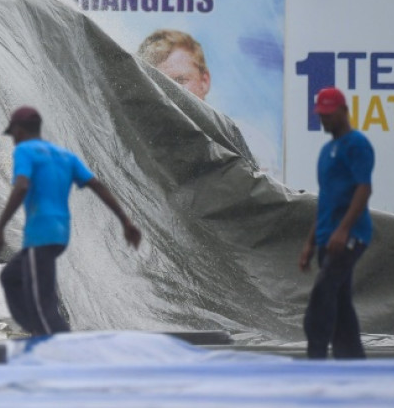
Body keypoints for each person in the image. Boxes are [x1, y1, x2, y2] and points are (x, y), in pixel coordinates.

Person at [0, 106, 142, 336]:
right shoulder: (65, 156)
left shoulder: (25, 151)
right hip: (60, 232)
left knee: (42, 303)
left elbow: (21, 186)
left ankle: (59, 345)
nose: (14, 139)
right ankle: (37, 332)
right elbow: (97, 185)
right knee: (11, 277)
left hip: (40, 233)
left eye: (13, 134)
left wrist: (0, 228)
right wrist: (125, 222)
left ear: (19, 131)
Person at [136, 29, 281, 180]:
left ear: (204, 81)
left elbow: (264, 201)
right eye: (158, 83)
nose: (170, 92)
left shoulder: (251, 144)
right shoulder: (134, 149)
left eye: (180, 80)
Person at [298, 86, 374, 359]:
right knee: (341, 304)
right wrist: (309, 242)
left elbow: (363, 189)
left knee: (322, 294)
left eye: (330, 114)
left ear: (344, 111)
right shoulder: (326, 151)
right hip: (327, 237)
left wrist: (343, 231)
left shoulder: (357, 145)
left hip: (351, 236)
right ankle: (352, 362)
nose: (325, 120)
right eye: (321, 115)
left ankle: (315, 358)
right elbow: (325, 201)